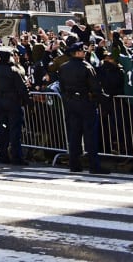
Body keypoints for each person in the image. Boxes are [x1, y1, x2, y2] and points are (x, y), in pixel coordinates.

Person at [56, 39, 105, 173]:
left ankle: (74, 164)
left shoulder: (63, 67)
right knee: (90, 135)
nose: (84, 53)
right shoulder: (86, 67)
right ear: (78, 53)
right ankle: (94, 166)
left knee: (74, 135)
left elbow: (62, 87)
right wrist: (99, 99)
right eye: (82, 51)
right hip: (85, 102)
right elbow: (95, 88)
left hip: (71, 103)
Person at [0, 47, 29, 167]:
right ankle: (16, 156)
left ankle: (3, 155)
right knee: (15, 130)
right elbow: (22, 88)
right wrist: (27, 101)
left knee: (2, 129)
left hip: (0, 102)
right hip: (13, 102)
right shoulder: (13, 70)